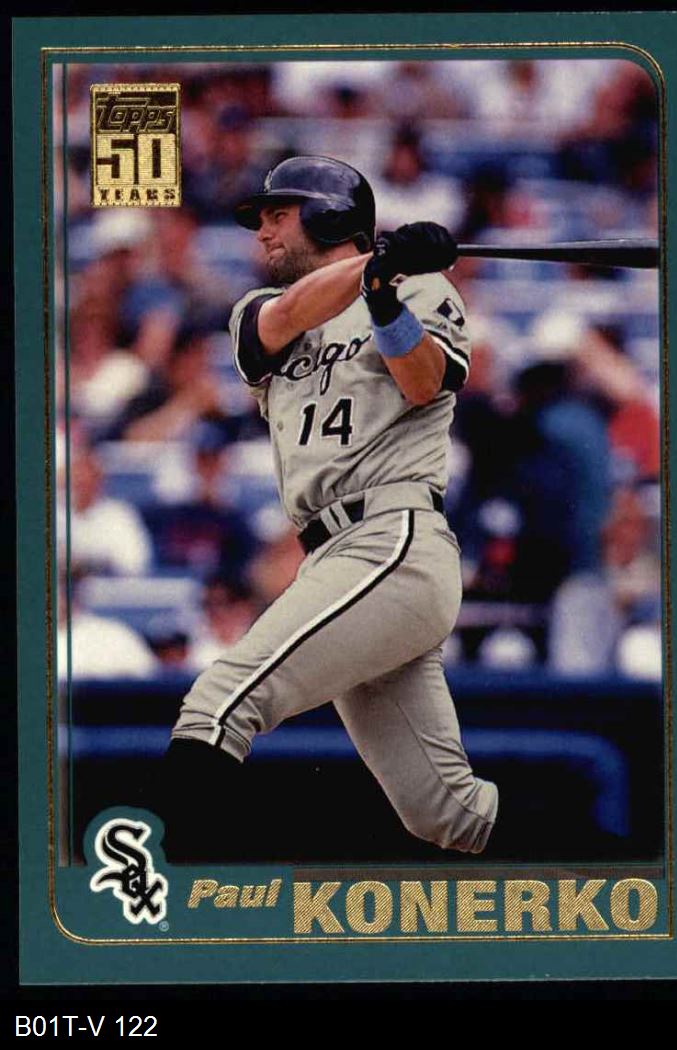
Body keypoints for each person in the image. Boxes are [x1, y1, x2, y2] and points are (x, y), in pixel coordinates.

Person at [158, 154, 498, 861]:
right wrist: (377, 268)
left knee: (218, 703)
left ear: (329, 217)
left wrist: (384, 295)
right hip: (329, 559)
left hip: (392, 541)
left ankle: (172, 900)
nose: (262, 233)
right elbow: (287, 315)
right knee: (446, 813)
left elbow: (423, 383)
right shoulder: (258, 310)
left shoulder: (419, 288)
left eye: (278, 215)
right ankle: (609, 857)